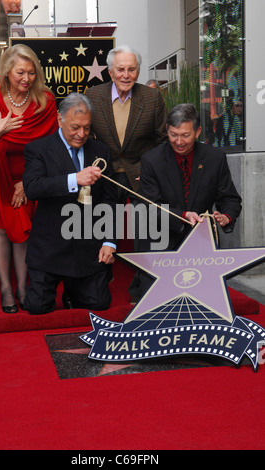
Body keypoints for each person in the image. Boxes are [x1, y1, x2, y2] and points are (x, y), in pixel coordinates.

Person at [0, 44, 58, 313]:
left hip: (28, 177)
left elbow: (53, 147)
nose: (26, 79)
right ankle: (6, 288)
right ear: (7, 71)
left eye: (31, 72)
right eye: (20, 72)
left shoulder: (45, 101)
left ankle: (23, 287)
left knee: (23, 232)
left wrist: (29, 183)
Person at [23, 93, 118, 315]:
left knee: (98, 304)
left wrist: (110, 242)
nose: (81, 134)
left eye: (87, 127)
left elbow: (110, 200)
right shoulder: (38, 149)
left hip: (88, 246)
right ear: (59, 119)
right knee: (37, 308)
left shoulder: (101, 151)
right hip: (49, 247)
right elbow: (32, 187)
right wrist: (75, 179)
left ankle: (72, 289)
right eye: (75, 127)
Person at [85, 44, 168, 300]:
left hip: (142, 172)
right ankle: (99, 279)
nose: (126, 74)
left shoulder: (152, 98)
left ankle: (141, 290)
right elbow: (85, 137)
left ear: (138, 71)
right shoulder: (93, 95)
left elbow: (163, 139)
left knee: (146, 231)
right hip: (106, 172)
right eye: (120, 69)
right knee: (99, 224)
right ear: (110, 72)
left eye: (131, 69)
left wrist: (152, 171)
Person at [137, 103, 242, 297]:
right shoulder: (151, 160)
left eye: (185, 135)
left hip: (200, 243)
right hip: (162, 242)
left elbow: (230, 198)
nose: (178, 141)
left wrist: (226, 216)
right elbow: (150, 207)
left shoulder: (214, 157)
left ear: (198, 132)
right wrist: (183, 216)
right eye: (173, 135)